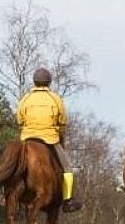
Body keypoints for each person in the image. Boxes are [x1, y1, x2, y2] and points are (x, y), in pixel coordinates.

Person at [17, 68, 83, 213]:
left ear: (34, 81)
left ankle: (3, 195)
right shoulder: (55, 98)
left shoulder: (25, 98)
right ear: (49, 82)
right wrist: (58, 133)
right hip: (50, 139)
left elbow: (19, 119)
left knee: (11, 166)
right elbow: (62, 121)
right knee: (68, 170)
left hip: (27, 138)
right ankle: (68, 200)